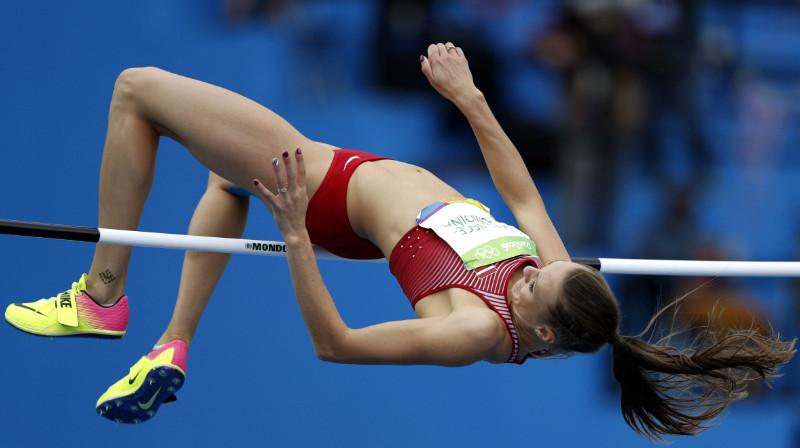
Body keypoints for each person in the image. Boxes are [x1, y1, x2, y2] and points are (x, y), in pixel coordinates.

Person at [4, 43, 794, 440]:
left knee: (137, 89)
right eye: (540, 272)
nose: (529, 273)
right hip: (346, 184)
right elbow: (519, 190)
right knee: (222, 183)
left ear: (541, 331)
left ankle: (102, 296)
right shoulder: (555, 279)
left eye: (533, 288)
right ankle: (171, 345)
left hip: (321, 191)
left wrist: (295, 235)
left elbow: (337, 345)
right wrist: (470, 96)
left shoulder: (477, 330)